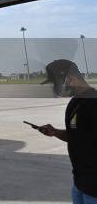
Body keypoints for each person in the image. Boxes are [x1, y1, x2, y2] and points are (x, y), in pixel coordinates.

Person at [35, 60, 97, 203]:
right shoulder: (74, 103)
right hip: (79, 183)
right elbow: (75, 136)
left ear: (71, 78)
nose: (57, 88)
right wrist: (55, 132)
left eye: (58, 83)